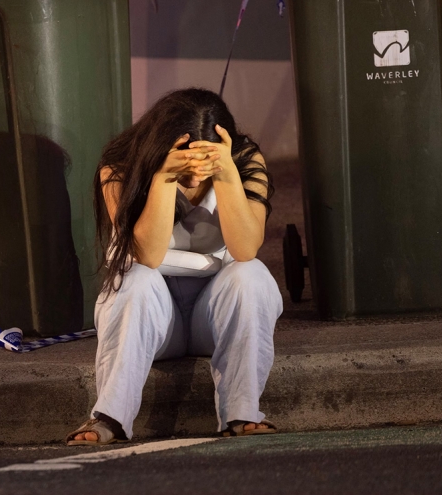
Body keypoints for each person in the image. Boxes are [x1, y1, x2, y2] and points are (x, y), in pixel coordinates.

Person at [66, 88, 283, 445]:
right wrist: (164, 178)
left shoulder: (244, 161)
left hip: (213, 315)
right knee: (135, 278)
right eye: (185, 166)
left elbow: (245, 249)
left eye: (205, 166)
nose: (196, 180)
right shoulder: (120, 167)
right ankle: (108, 418)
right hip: (152, 317)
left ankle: (242, 414)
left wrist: (227, 172)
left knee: (252, 275)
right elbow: (148, 255)